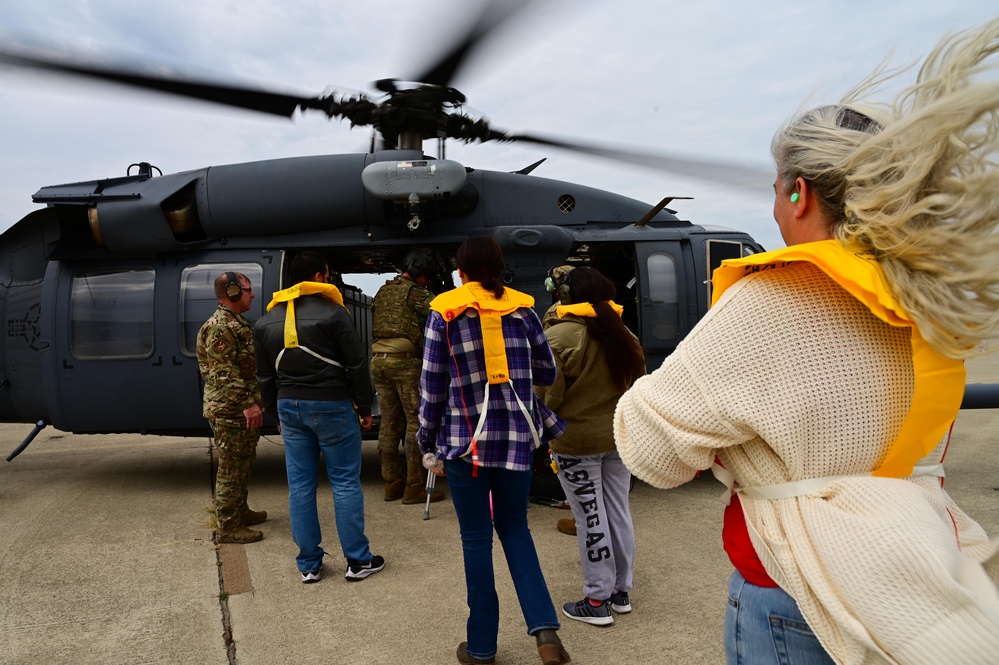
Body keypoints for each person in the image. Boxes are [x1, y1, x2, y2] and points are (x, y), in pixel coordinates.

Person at [615, 20, 999, 665]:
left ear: (799, 192)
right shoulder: (925, 295)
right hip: (912, 566)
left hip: (798, 592)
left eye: (775, 189)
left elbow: (651, 453)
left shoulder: (778, 297)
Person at [417, 236, 571, 665]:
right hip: (517, 439)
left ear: (461, 272)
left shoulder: (443, 312)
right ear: (499, 268)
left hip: (465, 444)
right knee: (516, 530)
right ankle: (546, 636)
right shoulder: (524, 310)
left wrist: (426, 439)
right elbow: (547, 369)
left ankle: (482, 647)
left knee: (476, 540)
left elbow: (432, 386)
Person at [253, 250, 384, 584]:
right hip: (333, 406)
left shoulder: (266, 320)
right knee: (344, 482)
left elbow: (265, 377)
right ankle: (358, 561)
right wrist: (364, 407)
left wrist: (275, 412)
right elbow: (356, 364)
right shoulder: (334, 313)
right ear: (320, 277)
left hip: (289, 408)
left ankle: (309, 565)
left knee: (299, 486)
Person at [536, 267, 645, 627]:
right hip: (617, 437)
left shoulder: (558, 336)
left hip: (576, 443)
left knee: (589, 517)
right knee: (618, 510)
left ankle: (597, 600)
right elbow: (638, 387)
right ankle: (620, 592)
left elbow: (547, 396)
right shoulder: (623, 333)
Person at [196, 271, 267, 545]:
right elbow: (223, 374)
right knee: (231, 466)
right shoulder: (220, 327)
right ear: (234, 292)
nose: (253, 294)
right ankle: (227, 527)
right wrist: (248, 404)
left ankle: (239, 512)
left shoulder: (234, 322)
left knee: (244, 462)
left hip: (235, 406)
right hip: (230, 409)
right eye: (248, 290)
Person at [370, 249, 444, 504]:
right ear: (421, 274)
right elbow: (441, 312)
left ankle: (392, 482)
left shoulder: (383, 290)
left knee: (390, 422)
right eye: (426, 277)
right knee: (415, 421)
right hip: (404, 363)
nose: (426, 281)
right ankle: (414, 486)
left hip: (378, 362)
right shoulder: (417, 293)